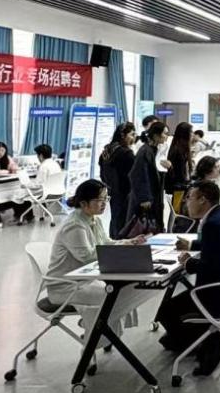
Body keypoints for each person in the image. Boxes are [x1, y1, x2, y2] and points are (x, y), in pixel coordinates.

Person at [158, 181, 220, 375]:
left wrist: (188, 263)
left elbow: (212, 268)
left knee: (166, 311)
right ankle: (188, 340)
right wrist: (192, 246)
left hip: (218, 294)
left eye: (189, 197)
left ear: (203, 200)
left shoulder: (213, 225)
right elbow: (219, 245)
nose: (186, 202)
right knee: (172, 313)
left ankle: (191, 344)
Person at [45, 179, 147, 337]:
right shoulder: (74, 225)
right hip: (65, 287)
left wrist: (128, 242)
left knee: (121, 293)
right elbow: (87, 257)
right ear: (84, 203)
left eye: (106, 198)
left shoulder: (94, 219)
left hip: (85, 280)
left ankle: (102, 329)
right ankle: (96, 332)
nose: (104, 203)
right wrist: (120, 250)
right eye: (100, 200)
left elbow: (106, 243)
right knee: (113, 298)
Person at [127, 120, 168, 232]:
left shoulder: (154, 150)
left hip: (153, 196)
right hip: (145, 199)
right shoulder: (145, 151)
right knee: (142, 228)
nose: (166, 136)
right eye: (164, 133)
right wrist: (144, 198)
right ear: (156, 135)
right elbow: (138, 175)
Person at [99, 122, 137, 238]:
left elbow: (102, 170)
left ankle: (114, 240)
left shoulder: (107, 150)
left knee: (115, 218)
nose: (134, 138)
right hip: (126, 191)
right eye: (132, 134)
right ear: (123, 135)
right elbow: (135, 173)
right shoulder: (126, 153)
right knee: (124, 219)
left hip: (112, 190)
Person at [0, 141, 32, 221]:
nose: (0, 153)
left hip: (6, 184)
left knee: (20, 193)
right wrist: (6, 171)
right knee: (15, 195)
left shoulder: (7, 158)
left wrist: (15, 169)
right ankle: (19, 215)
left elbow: (14, 166)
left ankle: (24, 216)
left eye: (3, 150)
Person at [165, 122, 195, 214]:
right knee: (177, 213)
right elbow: (178, 173)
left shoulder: (183, 149)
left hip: (181, 187)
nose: (193, 135)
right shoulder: (177, 151)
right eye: (191, 132)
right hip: (178, 189)